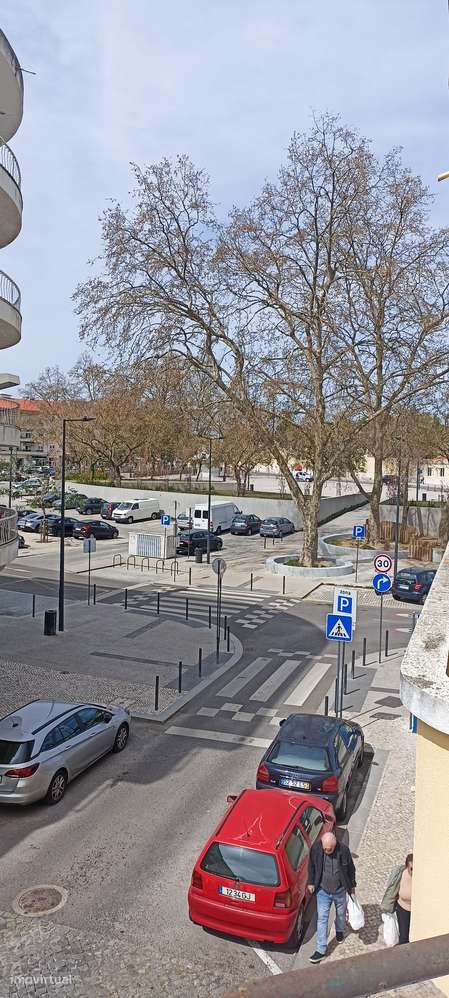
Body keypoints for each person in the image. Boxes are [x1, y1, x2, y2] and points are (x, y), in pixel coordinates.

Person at [307, 832, 357, 963]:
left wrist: (352, 887)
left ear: (335, 845)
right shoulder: (316, 849)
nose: (327, 851)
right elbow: (311, 866)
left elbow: (351, 869)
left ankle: (340, 930)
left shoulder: (344, 850)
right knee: (322, 918)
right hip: (323, 891)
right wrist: (311, 882)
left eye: (330, 849)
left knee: (340, 915)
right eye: (325, 849)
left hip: (340, 891)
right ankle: (320, 949)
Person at [381, 853, 413, 944]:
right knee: (403, 936)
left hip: (416, 911)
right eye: (411, 868)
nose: (413, 871)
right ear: (407, 866)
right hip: (403, 909)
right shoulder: (400, 874)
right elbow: (391, 889)